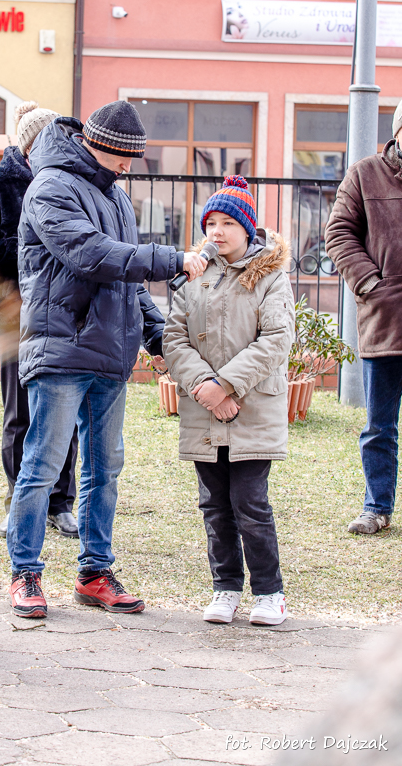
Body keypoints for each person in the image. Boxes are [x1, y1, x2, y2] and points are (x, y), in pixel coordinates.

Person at [7, 100, 208, 618]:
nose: (128, 166)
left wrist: (159, 337)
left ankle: (94, 573)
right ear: (100, 145)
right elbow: (92, 254)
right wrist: (171, 259)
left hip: (110, 356)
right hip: (61, 350)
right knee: (43, 466)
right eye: (124, 157)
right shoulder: (49, 187)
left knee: (105, 470)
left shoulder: (115, 195)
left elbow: (128, 278)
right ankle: (25, 573)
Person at [163, 176, 294, 627]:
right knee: (214, 505)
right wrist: (205, 385)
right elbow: (173, 337)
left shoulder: (270, 276)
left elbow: (276, 340)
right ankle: (226, 587)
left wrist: (227, 386)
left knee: (250, 504)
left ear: (247, 228)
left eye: (227, 223)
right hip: (204, 408)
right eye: (210, 223)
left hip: (252, 408)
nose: (216, 232)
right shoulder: (195, 274)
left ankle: (270, 593)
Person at [0, 102, 79, 540]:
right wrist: (29, 244)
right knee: (20, 412)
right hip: (14, 313)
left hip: (65, 312)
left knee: (65, 410)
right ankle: (17, 500)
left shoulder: (74, 182)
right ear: (30, 145)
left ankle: (60, 503)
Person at [324, 103, 402, 535]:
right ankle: (377, 507)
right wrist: (370, 283)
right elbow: (338, 233)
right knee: (379, 427)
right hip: (385, 321)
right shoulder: (365, 174)